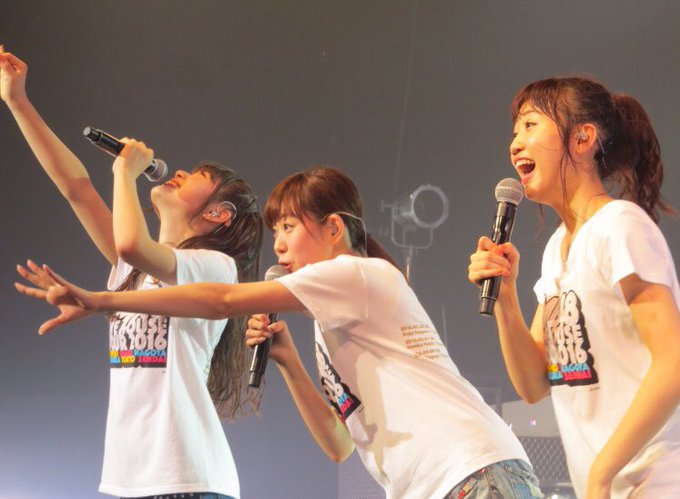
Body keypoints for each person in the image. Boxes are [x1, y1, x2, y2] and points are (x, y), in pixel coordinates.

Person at [19, 167, 543, 499]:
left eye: (289, 228)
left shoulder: (359, 274)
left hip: (472, 470)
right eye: (276, 233)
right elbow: (339, 445)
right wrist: (291, 363)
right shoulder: (332, 324)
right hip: (437, 483)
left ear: (334, 228)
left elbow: (221, 301)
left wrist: (102, 300)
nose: (280, 247)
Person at [2, 47, 263, 499]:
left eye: (196, 175)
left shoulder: (216, 266)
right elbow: (76, 188)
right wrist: (17, 101)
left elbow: (130, 244)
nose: (178, 173)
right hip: (131, 479)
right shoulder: (133, 271)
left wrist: (124, 172)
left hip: (189, 479)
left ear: (219, 213)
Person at [467, 76, 680, 498]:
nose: (515, 144)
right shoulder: (556, 249)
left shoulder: (619, 225)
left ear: (582, 138)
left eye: (530, 126)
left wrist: (603, 472)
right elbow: (533, 384)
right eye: (514, 133)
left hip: (655, 480)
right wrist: (506, 298)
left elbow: (673, 362)